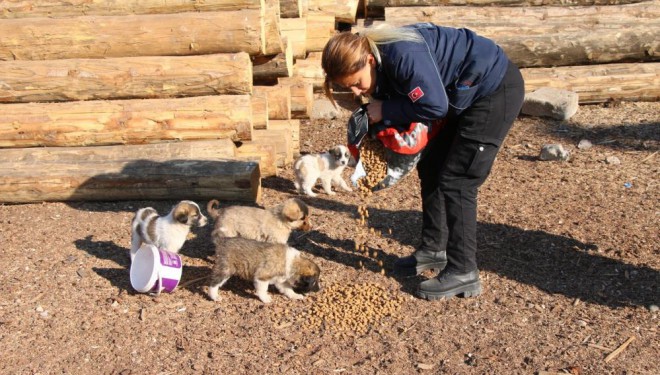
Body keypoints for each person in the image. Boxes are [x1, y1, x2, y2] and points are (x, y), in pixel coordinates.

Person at [321, 23, 525, 300]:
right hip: (458, 95)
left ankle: (463, 270)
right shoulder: (379, 62)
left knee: (457, 180)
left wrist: (387, 109)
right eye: (349, 88)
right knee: (431, 167)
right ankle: (433, 250)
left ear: (369, 60)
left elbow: (434, 106)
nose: (357, 92)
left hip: (492, 91)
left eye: (357, 82)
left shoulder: (402, 55)